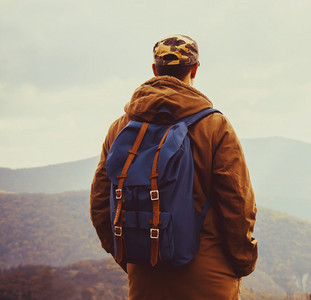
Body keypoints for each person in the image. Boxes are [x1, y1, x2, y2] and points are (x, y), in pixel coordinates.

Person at [90, 34, 257, 300]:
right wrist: (242, 263)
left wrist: (131, 258)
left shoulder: (120, 129)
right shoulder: (215, 127)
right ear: (195, 69)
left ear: (155, 71)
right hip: (210, 278)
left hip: (145, 278)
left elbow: (100, 205)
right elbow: (237, 204)